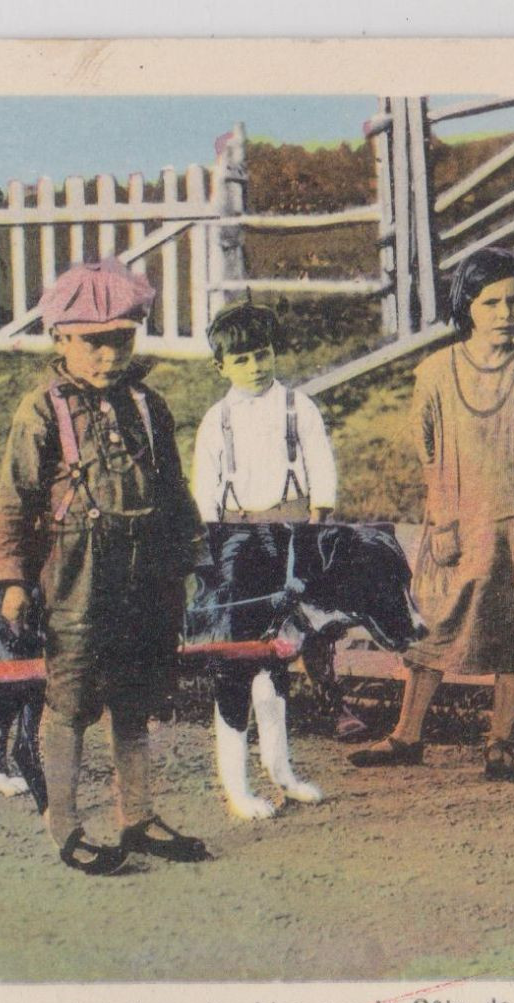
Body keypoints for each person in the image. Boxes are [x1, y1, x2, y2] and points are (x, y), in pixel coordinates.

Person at [0, 258, 212, 874]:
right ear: (60, 338)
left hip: (145, 569)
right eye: (93, 342)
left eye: (121, 340)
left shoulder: (146, 404)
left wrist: (190, 555)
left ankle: (136, 816)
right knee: (73, 696)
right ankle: (65, 824)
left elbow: (173, 487)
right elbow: (14, 500)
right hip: (78, 571)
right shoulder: (41, 410)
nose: (108, 356)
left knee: (136, 693)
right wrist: (10, 579)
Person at [350, 247, 514, 780]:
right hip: (455, 521)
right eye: (491, 302)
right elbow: (427, 451)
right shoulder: (434, 372)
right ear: (467, 305)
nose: (505, 314)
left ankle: (500, 741)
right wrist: (445, 517)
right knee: (433, 627)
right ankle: (407, 735)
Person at [190, 300, 368, 741]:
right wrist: (212, 531)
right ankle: (249, 708)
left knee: (309, 616)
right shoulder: (218, 420)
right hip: (239, 530)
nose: (255, 367)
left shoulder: (296, 406)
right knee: (248, 621)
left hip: (293, 524)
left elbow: (321, 463)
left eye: (263, 355)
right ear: (221, 366)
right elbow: (205, 481)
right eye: (242, 359)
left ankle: (331, 698)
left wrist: (318, 514)